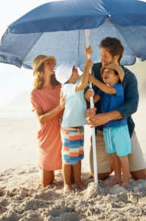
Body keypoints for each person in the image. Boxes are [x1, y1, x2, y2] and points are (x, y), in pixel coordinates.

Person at [85, 37, 146, 181]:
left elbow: (132, 105)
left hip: (123, 128)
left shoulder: (129, 77)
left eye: (105, 56)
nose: (101, 59)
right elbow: (88, 99)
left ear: (116, 57)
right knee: (99, 176)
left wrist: (107, 116)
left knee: (141, 175)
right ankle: (114, 161)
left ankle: (121, 159)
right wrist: (88, 104)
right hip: (102, 131)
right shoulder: (94, 70)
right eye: (100, 55)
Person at [86, 63, 131, 188]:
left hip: (119, 127)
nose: (105, 74)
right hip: (107, 128)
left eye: (109, 72)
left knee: (122, 154)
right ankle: (117, 177)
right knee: (114, 154)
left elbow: (108, 90)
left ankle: (126, 179)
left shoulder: (118, 88)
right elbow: (94, 99)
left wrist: (94, 80)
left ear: (117, 77)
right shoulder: (102, 89)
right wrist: (89, 95)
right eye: (104, 72)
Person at [55, 55, 93, 192]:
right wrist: (87, 65)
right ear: (67, 76)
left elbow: (85, 82)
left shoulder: (76, 82)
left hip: (78, 125)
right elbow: (82, 84)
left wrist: (88, 56)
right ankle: (67, 183)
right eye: (73, 69)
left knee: (77, 155)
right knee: (68, 157)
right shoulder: (67, 87)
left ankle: (77, 181)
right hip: (69, 126)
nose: (77, 70)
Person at [30, 55, 65, 187]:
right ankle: (42, 169)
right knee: (46, 183)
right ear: (40, 69)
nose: (52, 65)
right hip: (47, 135)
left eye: (52, 63)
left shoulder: (60, 87)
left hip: (63, 132)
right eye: (48, 63)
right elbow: (41, 119)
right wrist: (59, 108)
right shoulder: (35, 93)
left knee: (71, 178)